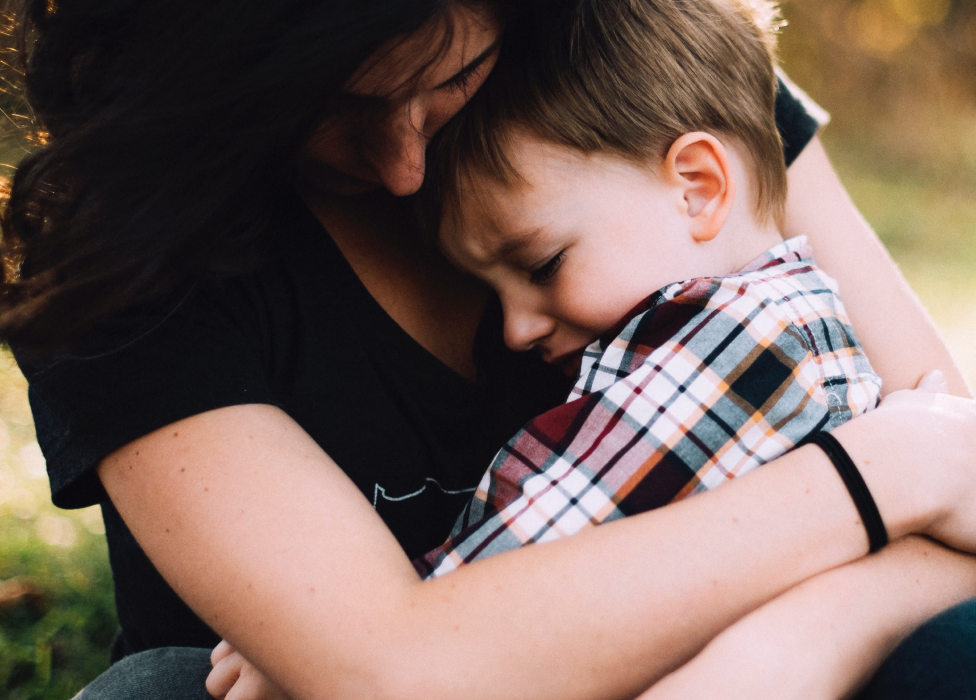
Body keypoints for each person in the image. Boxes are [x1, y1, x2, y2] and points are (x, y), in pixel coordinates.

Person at [1, 1, 975, 699]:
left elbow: (963, 514)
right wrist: (884, 473)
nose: (403, 168)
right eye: (328, 110)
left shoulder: (648, 72)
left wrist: (796, 643)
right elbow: (388, 672)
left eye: (449, 79)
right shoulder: (116, 248)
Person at [414, 0, 884, 578]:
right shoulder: (785, 320)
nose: (514, 330)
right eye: (491, 291)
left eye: (543, 266)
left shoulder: (742, 346)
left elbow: (499, 579)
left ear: (698, 190)